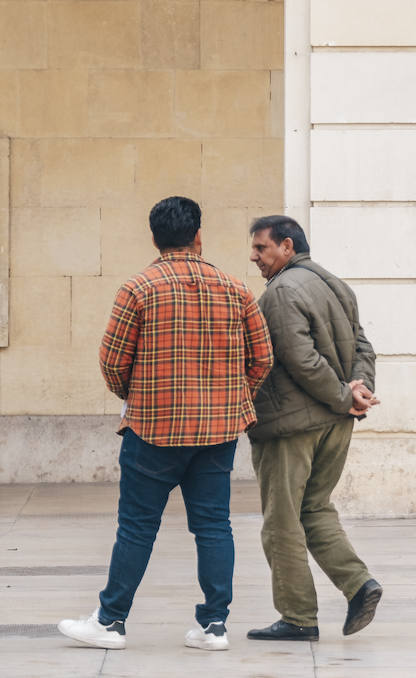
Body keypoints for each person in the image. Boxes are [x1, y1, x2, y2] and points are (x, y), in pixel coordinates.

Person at [59, 196, 274, 652]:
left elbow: (113, 361)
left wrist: (136, 397)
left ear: (155, 239)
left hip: (153, 431)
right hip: (217, 433)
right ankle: (215, 626)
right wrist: (232, 400)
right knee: (214, 526)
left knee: (137, 527)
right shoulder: (235, 288)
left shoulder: (137, 289)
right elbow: (263, 358)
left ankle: (111, 621)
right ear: (199, 236)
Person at [245, 215, 383, 641]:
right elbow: (364, 346)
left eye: (261, 248)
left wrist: (346, 395)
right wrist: (358, 392)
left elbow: (301, 360)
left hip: (293, 428)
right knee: (314, 508)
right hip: (335, 423)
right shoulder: (335, 284)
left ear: (287, 246)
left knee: (281, 522)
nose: (254, 257)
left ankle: (298, 617)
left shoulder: (282, 291)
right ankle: (360, 585)